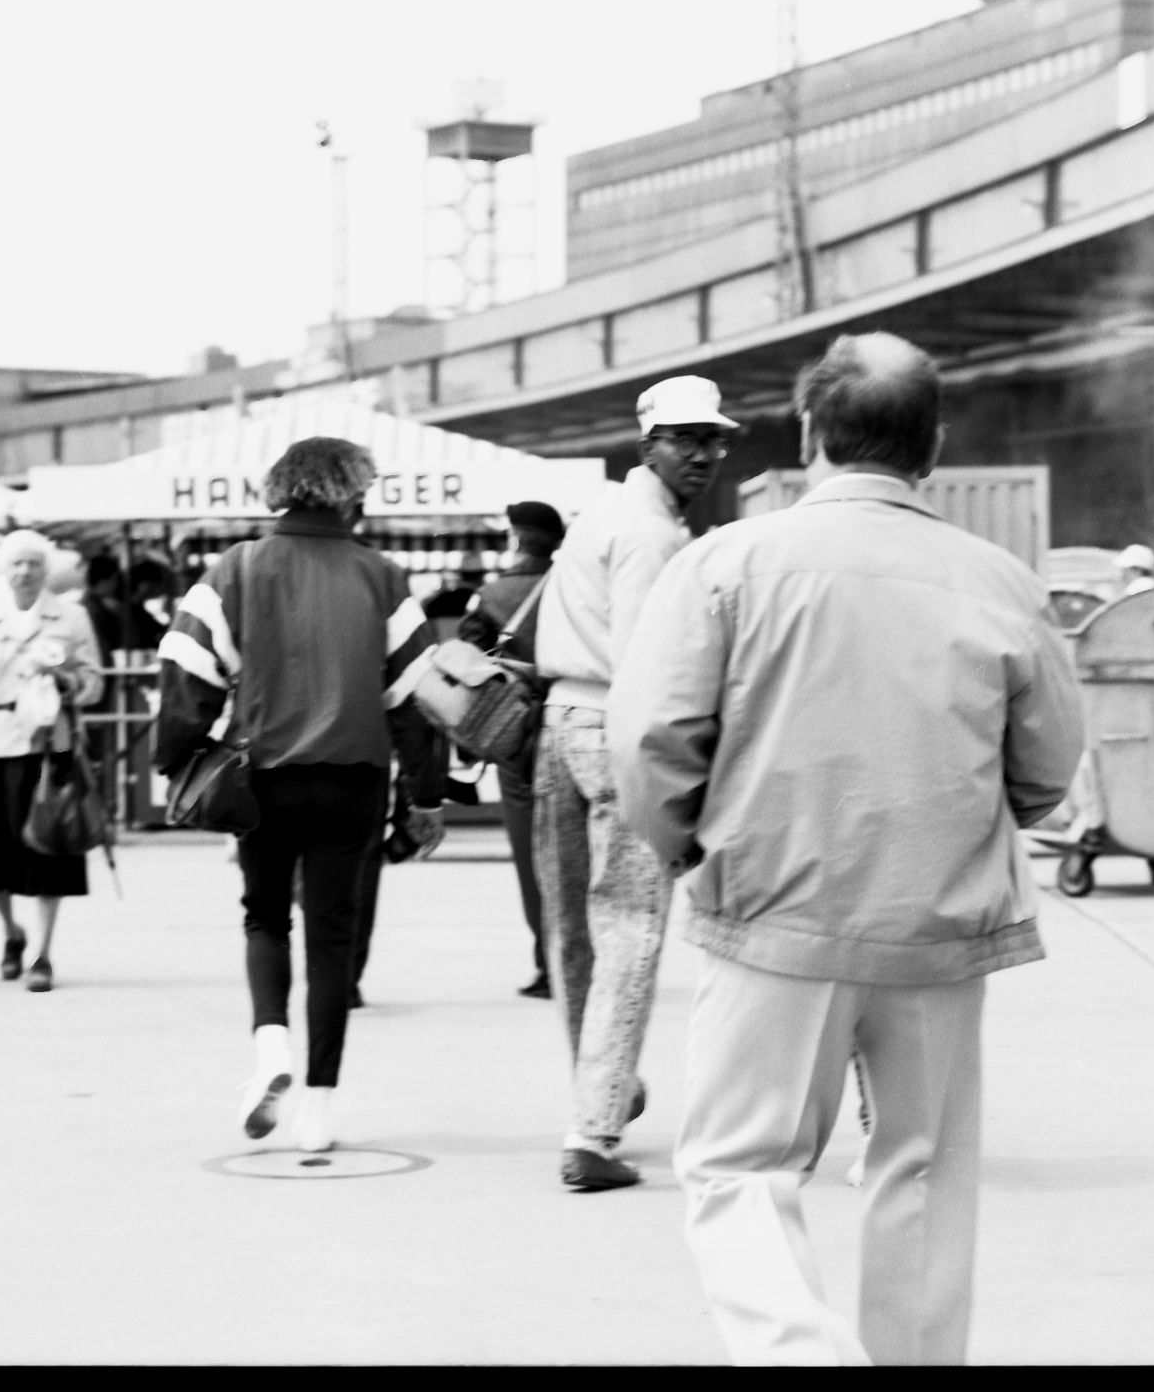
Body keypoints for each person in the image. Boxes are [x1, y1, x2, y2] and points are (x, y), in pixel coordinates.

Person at [608, 333, 1084, 1365]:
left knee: (739, 1167)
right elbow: (1046, 771)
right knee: (920, 1167)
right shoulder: (999, 581)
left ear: (811, 430)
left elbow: (650, 743)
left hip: (770, 912)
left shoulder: (722, 564)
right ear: (935, 444)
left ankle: (798, 1357)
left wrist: (698, 852)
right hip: (941, 924)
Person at [154, 436, 448, 1154]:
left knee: (263, 919)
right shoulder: (382, 575)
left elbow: (187, 673)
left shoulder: (237, 568)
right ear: (348, 496)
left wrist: (176, 762)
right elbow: (414, 697)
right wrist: (428, 795)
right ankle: (317, 1106)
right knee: (333, 937)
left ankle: (271, 1052)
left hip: (262, 780)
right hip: (353, 781)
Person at [533, 373, 737, 1192]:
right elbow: (651, 669)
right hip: (616, 730)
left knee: (575, 933)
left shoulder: (602, 516)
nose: (704, 454)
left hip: (559, 725)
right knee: (628, 931)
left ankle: (602, 1087)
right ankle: (593, 1132)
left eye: (713, 439)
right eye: (686, 439)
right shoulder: (654, 537)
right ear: (646, 441)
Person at [0, 528, 105, 993]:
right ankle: (12, 933)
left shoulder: (70, 617)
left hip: (51, 749)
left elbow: (95, 682)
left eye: (34, 563)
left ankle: (43, 953)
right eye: (16, 563)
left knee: (50, 849)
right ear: (1, 569)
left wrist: (67, 679)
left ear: (46, 570)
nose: (25, 571)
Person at [458, 499, 567, 1000]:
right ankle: (577, 956)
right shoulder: (576, 588)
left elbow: (465, 666)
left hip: (515, 740)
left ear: (515, 538)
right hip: (574, 729)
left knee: (530, 857)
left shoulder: (491, 596)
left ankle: (549, 965)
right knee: (575, 852)